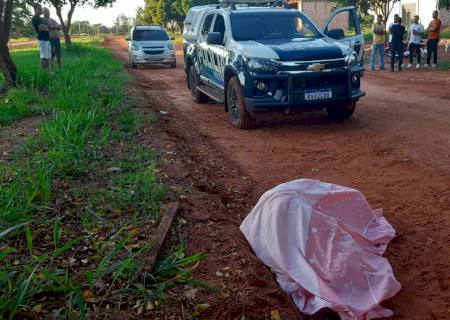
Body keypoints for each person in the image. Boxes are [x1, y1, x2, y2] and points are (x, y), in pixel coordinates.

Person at [31, 4, 51, 69]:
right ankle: (44, 72)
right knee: (44, 57)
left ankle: (47, 70)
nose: (40, 10)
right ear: (35, 10)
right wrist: (46, 27)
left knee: (47, 56)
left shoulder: (41, 18)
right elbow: (42, 28)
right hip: (42, 40)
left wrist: (46, 27)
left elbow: (48, 26)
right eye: (38, 9)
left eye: (40, 8)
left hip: (47, 39)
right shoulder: (35, 18)